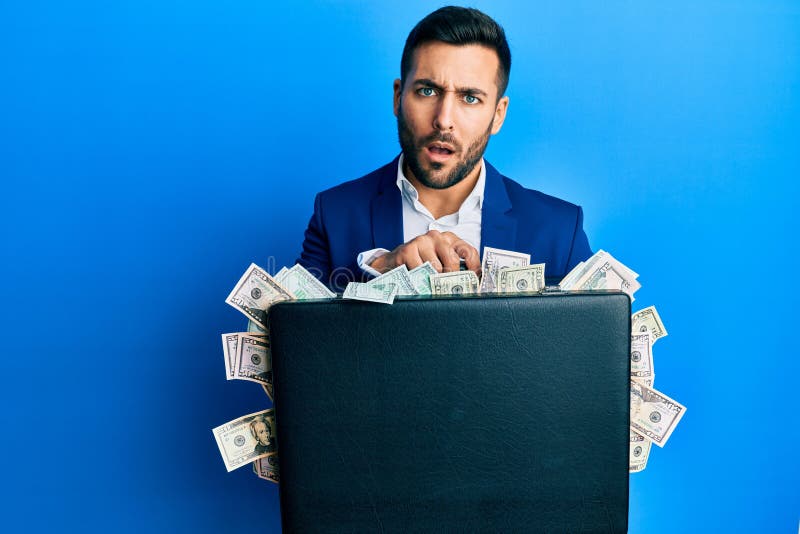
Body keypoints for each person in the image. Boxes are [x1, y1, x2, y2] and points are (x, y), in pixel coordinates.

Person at [298, 6, 592, 291]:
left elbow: (589, 340)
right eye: (427, 91)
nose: (443, 120)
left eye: (470, 98)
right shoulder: (335, 214)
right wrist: (381, 267)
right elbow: (297, 335)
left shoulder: (559, 231)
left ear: (498, 115)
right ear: (398, 98)